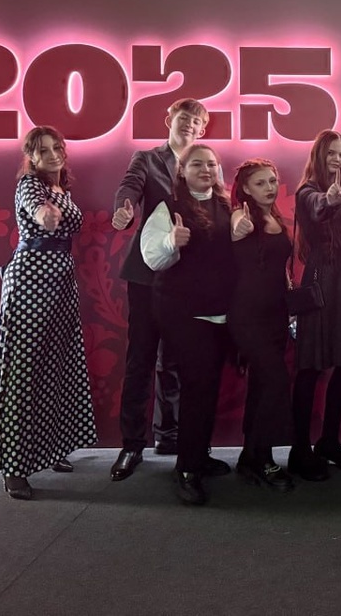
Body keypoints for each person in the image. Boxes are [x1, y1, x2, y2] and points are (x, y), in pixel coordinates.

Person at [0, 126, 96, 500]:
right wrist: (43, 214)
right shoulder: (30, 186)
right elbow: (39, 211)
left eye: (57, 148)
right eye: (43, 150)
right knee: (23, 373)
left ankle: (50, 450)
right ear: (31, 157)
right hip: (30, 283)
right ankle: (14, 467)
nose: (52, 154)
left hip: (60, 285)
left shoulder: (61, 188)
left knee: (56, 366)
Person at [108, 98, 208, 482]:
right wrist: (124, 210)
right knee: (141, 359)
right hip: (148, 275)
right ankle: (132, 445)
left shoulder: (204, 163)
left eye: (196, 121)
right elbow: (129, 187)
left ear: (202, 129)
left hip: (188, 278)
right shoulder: (147, 159)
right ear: (170, 119)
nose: (189, 125)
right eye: (184, 118)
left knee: (180, 360)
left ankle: (170, 437)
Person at [141, 143, 235, 506]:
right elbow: (152, 258)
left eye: (211, 164)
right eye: (197, 164)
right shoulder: (169, 206)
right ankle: (187, 470)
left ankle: (198, 455)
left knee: (208, 387)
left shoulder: (226, 205)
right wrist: (171, 241)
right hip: (182, 312)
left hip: (220, 312)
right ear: (182, 171)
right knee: (197, 387)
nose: (206, 169)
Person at [290, 129, 341, 481]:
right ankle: (299, 449)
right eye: (332, 153)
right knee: (310, 369)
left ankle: (329, 441)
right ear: (319, 156)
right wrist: (329, 200)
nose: (338, 159)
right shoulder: (308, 191)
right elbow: (316, 206)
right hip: (322, 287)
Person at [227, 158, 296, 493]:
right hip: (248, 315)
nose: (269, 188)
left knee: (261, 385)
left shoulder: (275, 217)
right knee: (275, 381)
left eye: (271, 181)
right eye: (260, 183)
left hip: (276, 315)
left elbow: (278, 268)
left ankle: (249, 456)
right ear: (245, 189)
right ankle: (263, 458)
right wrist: (239, 225)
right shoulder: (241, 216)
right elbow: (235, 228)